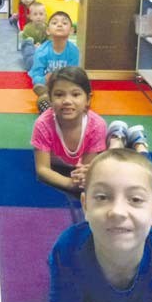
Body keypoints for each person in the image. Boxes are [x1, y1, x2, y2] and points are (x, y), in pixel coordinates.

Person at [49, 148, 152, 302]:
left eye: (135, 199)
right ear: (85, 206)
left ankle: (138, 145)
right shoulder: (67, 249)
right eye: (102, 197)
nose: (117, 212)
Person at [31, 67, 107, 206]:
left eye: (75, 94)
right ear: (52, 97)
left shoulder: (97, 125)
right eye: (59, 95)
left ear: (88, 100)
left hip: (72, 123)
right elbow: (42, 169)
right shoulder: (42, 125)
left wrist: (84, 178)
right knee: (43, 107)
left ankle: (119, 136)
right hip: (50, 114)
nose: (67, 100)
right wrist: (70, 184)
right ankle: (43, 99)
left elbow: (86, 168)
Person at [28, 11, 80, 113]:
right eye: (55, 23)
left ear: (71, 31)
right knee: (38, 83)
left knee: (80, 91)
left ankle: (53, 96)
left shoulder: (74, 51)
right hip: (47, 84)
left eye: (64, 23)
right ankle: (48, 97)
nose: (59, 25)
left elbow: (74, 75)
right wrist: (45, 79)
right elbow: (36, 77)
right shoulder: (41, 51)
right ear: (48, 30)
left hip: (65, 85)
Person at [20, 1, 48, 70]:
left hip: (43, 47)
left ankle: (44, 62)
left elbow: (49, 40)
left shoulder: (48, 28)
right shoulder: (27, 28)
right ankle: (31, 63)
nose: (38, 17)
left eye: (41, 14)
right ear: (30, 16)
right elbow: (26, 42)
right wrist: (34, 45)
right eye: (35, 14)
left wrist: (42, 46)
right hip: (32, 47)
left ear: (45, 15)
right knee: (27, 47)